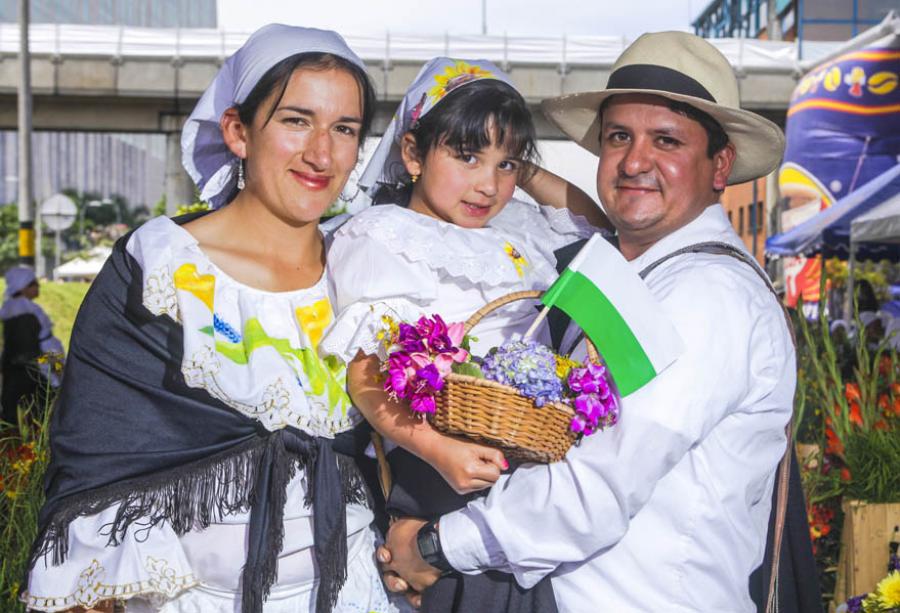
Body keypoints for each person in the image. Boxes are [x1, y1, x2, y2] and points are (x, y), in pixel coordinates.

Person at [379, 32, 817, 612]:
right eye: (619, 138)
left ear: (721, 165)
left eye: (666, 140)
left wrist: (433, 547)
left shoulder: (705, 294)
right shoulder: (642, 274)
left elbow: (596, 485)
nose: (635, 162)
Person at [23, 24, 398, 613]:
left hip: (352, 594)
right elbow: (100, 461)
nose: (322, 154)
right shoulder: (163, 271)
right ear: (238, 131)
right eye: (296, 120)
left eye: (344, 129)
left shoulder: (365, 272)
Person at [318, 57, 608, 612]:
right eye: (466, 155)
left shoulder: (515, 225)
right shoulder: (382, 234)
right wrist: (440, 450)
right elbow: (365, 375)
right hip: (437, 471)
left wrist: (514, 164)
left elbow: (592, 223)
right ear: (412, 153)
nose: (487, 185)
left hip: (526, 467)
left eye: (506, 166)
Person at [1, 266, 64, 427]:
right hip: (45, 357)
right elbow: (29, 347)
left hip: (45, 355)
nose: (38, 286)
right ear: (23, 287)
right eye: (34, 283)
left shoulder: (15, 307)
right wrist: (53, 365)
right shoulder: (22, 310)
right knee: (56, 393)